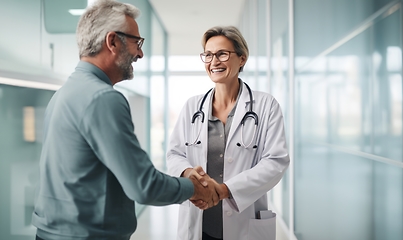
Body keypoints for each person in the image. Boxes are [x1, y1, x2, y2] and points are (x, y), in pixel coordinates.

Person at [31, 1, 219, 239]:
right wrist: (194, 188)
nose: (140, 53)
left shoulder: (64, 93)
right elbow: (144, 186)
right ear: (112, 41)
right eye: (136, 42)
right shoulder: (103, 98)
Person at [166, 26, 290, 240]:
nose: (214, 61)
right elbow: (174, 154)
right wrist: (190, 175)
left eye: (222, 54)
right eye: (208, 54)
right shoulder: (192, 106)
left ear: (242, 59)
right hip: (199, 222)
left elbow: (275, 161)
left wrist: (224, 190)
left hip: (245, 223)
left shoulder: (265, 105)